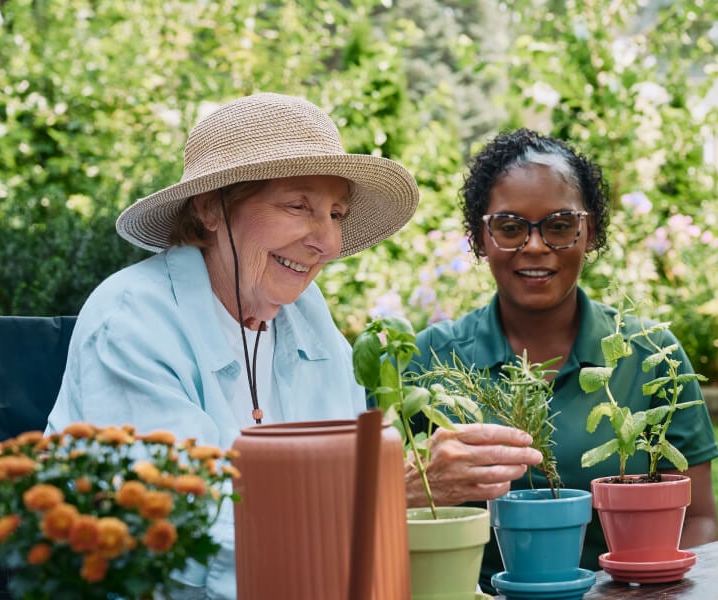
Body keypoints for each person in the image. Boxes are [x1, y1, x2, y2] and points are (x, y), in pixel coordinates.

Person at [46, 92, 543, 599]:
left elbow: (343, 490)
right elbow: (186, 538)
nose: (327, 243)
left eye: (336, 213)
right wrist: (391, 492)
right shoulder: (134, 321)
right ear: (210, 208)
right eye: (298, 206)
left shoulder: (306, 317)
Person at [411, 128, 718, 594]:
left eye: (558, 224)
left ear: (588, 232)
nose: (534, 246)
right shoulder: (429, 359)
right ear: (480, 237)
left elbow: (698, 519)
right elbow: (385, 514)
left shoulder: (652, 355)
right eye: (511, 227)